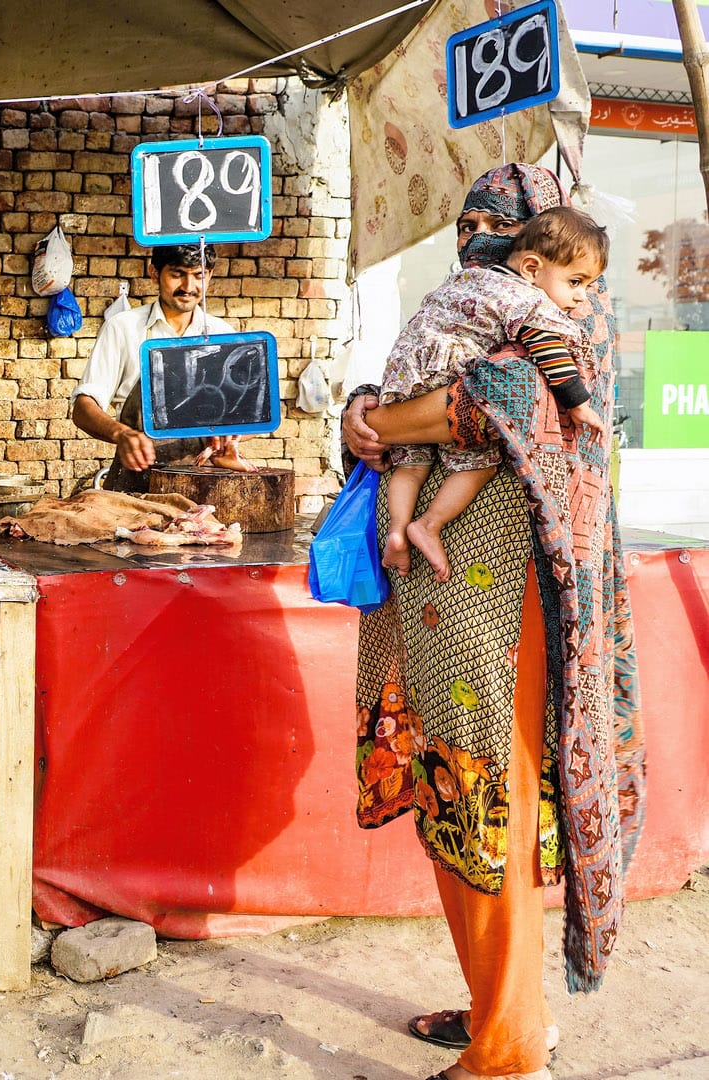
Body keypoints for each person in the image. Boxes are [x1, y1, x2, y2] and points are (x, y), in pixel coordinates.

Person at [342, 163, 645, 1080]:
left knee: (488, 804)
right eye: (465, 226)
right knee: (455, 798)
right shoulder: (481, 303)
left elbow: (480, 404)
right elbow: (417, 384)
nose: (472, 241)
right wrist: (363, 412)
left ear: (534, 240)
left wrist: (385, 419)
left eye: (491, 225)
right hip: (451, 607)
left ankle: (508, 1050)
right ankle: (503, 1012)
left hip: (506, 610)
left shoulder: (567, 317)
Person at [380, 206, 610, 582]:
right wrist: (579, 404)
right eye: (575, 282)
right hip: (447, 371)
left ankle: (397, 530)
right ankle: (428, 524)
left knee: (410, 466)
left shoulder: (468, 279)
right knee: (479, 462)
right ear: (532, 268)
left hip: (402, 376)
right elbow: (547, 347)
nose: (581, 297)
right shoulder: (527, 299)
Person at [70, 244, 247, 492]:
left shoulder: (222, 334)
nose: (188, 286)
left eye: (199, 275)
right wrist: (121, 434)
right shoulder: (123, 327)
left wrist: (231, 436)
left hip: (206, 483)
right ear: (154, 273)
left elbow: (247, 416)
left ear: (209, 276)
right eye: (177, 274)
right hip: (136, 486)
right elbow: (83, 407)